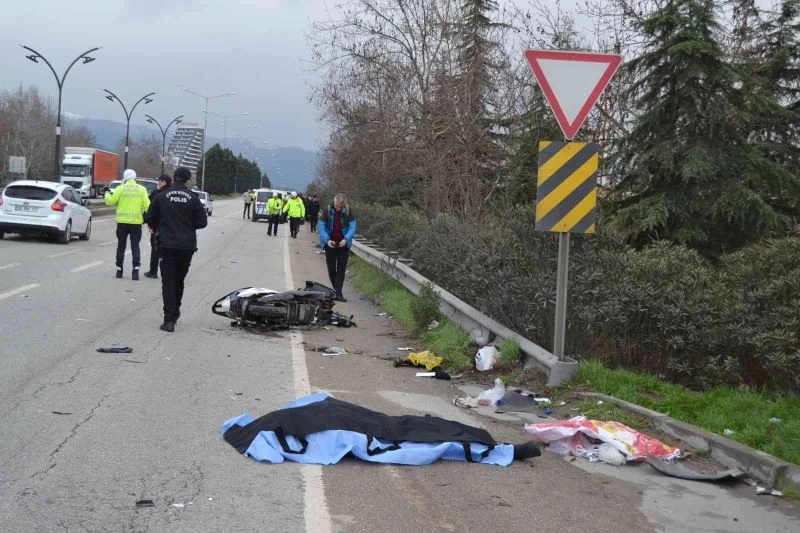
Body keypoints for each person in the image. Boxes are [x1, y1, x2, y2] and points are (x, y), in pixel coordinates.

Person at [145, 167, 208, 332]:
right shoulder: (193, 199)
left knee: (168, 282)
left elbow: (149, 217)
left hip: (166, 244)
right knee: (179, 280)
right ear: (188, 181)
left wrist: (158, 225)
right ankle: (175, 311)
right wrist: (187, 225)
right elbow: (202, 223)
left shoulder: (162, 196)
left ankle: (169, 319)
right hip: (186, 246)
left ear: (173, 178)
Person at [104, 168, 150, 280]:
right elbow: (148, 206)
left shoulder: (120, 188)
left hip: (122, 223)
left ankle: (119, 271)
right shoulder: (142, 189)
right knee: (135, 247)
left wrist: (106, 193)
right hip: (136, 223)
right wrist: (144, 215)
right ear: (135, 178)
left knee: (121, 246)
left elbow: (110, 201)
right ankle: (135, 272)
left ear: (125, 178)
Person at [319, 193, 357, 301]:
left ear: (344, 204)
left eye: (341, 207)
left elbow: (352, 227)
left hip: (343, 244)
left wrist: (346, 239)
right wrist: (327, 240)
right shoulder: (327, 211)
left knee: (341, 269)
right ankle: (336, 291)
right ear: (334, 202)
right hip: (330, 242)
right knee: (331, 269)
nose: (339, 208)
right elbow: (321, 227)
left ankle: (338, 293)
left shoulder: (349, 211)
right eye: (337, 206)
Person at [143, 175, 172, 279]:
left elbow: (150, 210)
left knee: (155, 249)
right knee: (169, 250)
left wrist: (150, 224)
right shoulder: (172, 194)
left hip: (157, 226)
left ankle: (153, 271)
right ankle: (168, 272)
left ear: (164, 182)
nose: (158, 183)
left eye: (159, 181)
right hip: (171, 227)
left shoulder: (157, 194)